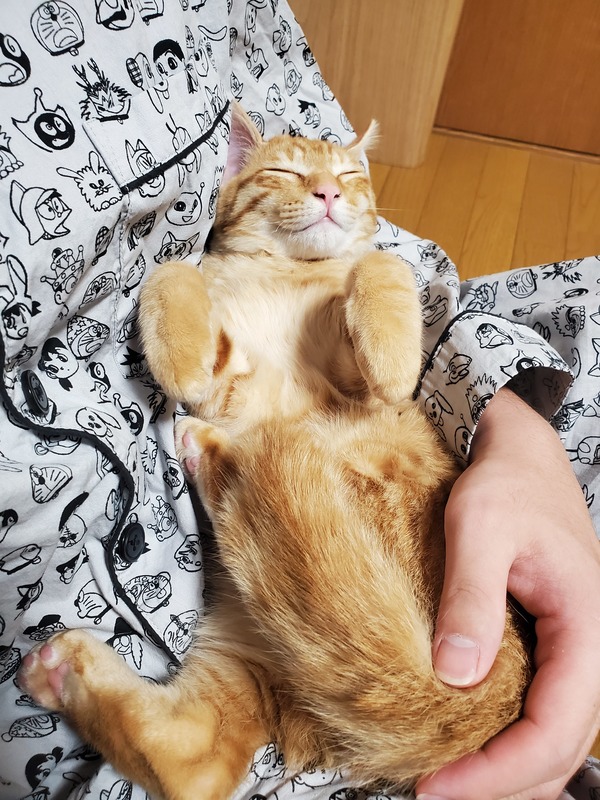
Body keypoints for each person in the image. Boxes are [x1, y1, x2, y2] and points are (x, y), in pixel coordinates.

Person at [0, 2, 598, 799]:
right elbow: (204, 374)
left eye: (350, 182)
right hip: (265, 599)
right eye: (287, 177)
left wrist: (395, 300)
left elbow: (379, 370)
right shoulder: (222, 265)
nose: (324, 191)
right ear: (233, 183)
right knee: (269, 677)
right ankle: (198, 749)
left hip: (369, 565)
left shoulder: (351, 271)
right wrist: (178, 298)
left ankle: (219, 722)